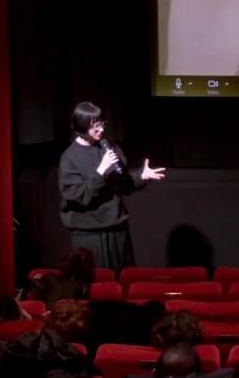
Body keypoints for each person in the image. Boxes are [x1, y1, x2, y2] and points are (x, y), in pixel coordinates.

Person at [59, 102, 165, 272]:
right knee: (96, 283)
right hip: (89, 236)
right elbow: (79, 196)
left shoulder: (109, 147)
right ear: (81, 127)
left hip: (117, 231)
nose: (101, 129)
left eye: (102, 124)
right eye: (95, 126)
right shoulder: (69, 158)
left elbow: (124, 184)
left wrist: (142, 177)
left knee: (123, 279)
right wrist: (101, 170)